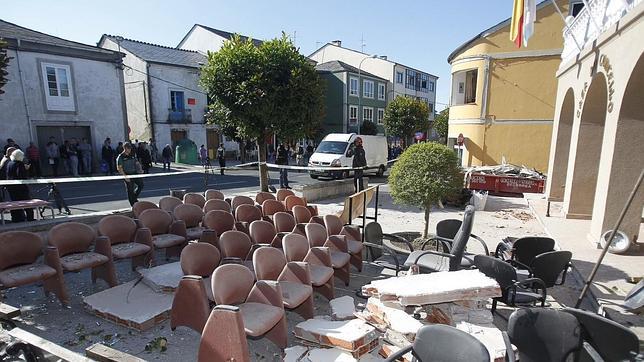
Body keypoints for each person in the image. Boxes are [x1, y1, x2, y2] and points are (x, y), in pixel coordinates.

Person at [5, 149, 35, 222]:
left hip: (11, 186)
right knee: (27, 203)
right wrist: (26, 169)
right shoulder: (20, 164)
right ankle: (30, 218)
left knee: (15, 203)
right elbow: (21, 175)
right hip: (20, 187)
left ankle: (16, 218)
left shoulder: (9, 163)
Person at [116, 142, 143, 206]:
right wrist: (125, 177)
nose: (130, 149)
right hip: (127, 174)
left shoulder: (132, 154)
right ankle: (133, 204)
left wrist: (140, 169)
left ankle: (134, 198)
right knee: (130, 190)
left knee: (141, 185)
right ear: (124, 148)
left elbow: (137, 163)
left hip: (134, 173)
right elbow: (119, 168)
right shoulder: (121, 157)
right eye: (128, 148)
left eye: (130, 148)